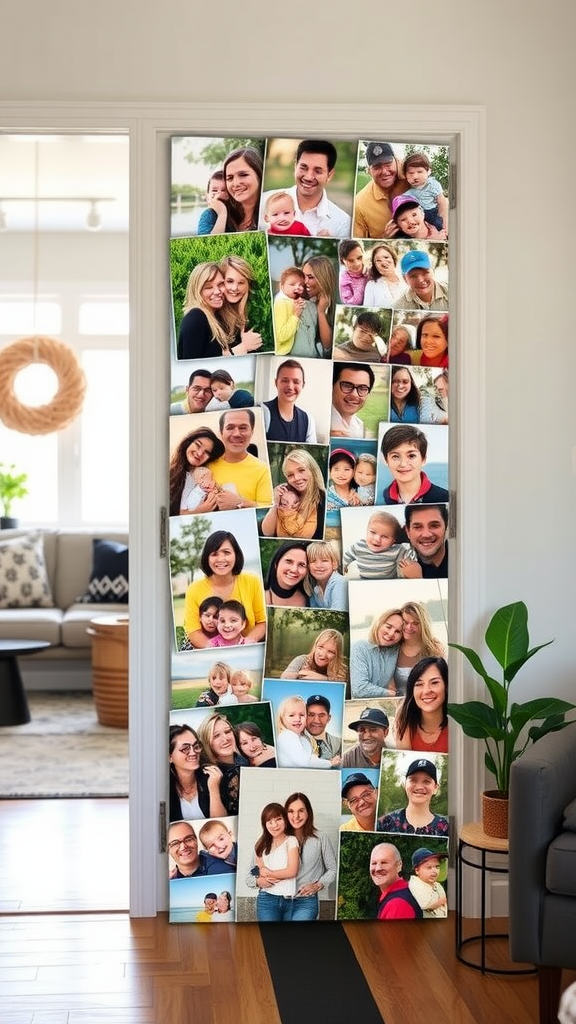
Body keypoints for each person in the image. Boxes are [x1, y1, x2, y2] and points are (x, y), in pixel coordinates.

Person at [182, 529, 266, 649]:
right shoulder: (194, 589)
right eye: (214, 554)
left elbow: (262, 622)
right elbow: (193, 631)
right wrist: (216, 650)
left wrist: (247, 643)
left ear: (236, 555)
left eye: (226, 552)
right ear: (207, 558)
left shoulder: (252, 580)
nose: (221, 559)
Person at [259, 139, 351, 238]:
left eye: (318, 171)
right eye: (303, 168)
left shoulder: (342, 223)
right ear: (295, 166)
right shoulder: (262, 202)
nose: (308, 177)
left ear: (330, 175)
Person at [284, 792, 337, 920]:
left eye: (301, 811)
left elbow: (333, 869)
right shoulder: (279, 838)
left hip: (306, 902)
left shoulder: (320, 838)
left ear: (308, 812)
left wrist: (318, 884)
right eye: (291, 811)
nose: (296, 816)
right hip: (279, 900)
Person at [208, 409, 273, 509]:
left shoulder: (263, 469)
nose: (236, 434)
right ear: (221, 432)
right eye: (230, 428)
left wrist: (240, 502)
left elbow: (267, 510)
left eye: (243, 428)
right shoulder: (206, 464)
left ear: (252, 432)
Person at [176, 262, 239, 360]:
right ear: (197, 291)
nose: (217, 291)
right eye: (208, 287)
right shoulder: (195, 318)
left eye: (220, 284)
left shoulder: (216, 317)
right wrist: (240, 349)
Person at [260, 447, 326, 540]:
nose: (297, 478)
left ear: (312, 470)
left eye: (301, 470)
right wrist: (275, 504)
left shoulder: (324, 501)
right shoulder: (285, 495)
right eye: (290, 475)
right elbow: (267, 534)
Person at [252, 803, 300, 922]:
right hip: (267, 899)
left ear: (285, 820)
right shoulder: (260, 844)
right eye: (269, 821)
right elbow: (258, 870)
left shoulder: (291, 841)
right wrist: (262, 875)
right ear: (265, 824)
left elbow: (292, 871)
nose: (274, 825)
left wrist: (269, 873)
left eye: (278, 819)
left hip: (290, 901)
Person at [169, 724, 226, 822]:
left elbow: (221, 824)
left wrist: (214, 790)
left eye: (196, 746)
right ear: (169, 757)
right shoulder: (162, 789)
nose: (193, 752)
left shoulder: (213, 777)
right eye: (185, 749)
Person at [377, 757, 449, 835]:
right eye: (413, 780)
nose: (419, 787)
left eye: (426, 781)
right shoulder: (385, 823)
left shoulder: (447, 827)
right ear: (404, 785)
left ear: (435, 788)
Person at [380, 424, 449, 505]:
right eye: (395, 456)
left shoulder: (444, 498)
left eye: (411, 456)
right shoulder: (385, 495)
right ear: (386, 460)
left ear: (423, 459)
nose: (403, 464)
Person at [392, 657, 449, 754]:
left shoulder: (458, 726)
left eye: (434, 683)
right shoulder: (405, 723)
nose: (426, 691)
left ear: (447, 686)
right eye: (419, 684)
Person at [197, 712, 249, 816]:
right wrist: (214, 788)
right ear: (207, 743)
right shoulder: (207, 776)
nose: (225, 739)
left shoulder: (244, 759)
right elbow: (217, 821)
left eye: (227, 731)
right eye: (216, 736)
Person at [353, 141, 407, 239]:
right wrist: (385, 239)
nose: (385, 172)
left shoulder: (410, 178)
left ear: (396, 161)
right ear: (369, 171)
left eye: (388, 164)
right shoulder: (359, 204)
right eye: (377, 167)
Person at [169, 427, 226, 517]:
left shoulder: (204, 475)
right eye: (198, 445)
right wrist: (199, 511)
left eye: (206, 452)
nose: (199, 453)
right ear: (188, 443)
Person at [393, 602, 446, 697]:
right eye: (405, 622)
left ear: (423, 625)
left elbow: (443, 682)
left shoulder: (434, 648)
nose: (409, 627)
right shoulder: (393, 648)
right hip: (399, 705)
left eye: (415, 623)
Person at [343, 509, 414, 580]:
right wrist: (343, 567)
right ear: (367, 531)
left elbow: (411, 556)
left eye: (384, 536)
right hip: (365, 582)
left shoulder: (395, 549)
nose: (377, 539)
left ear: (393, 541)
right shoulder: (359, 546)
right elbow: (346, 557)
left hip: (388, 584)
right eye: (373, 532)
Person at [349, 609, 403, 700]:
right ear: (379, 623)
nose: (391, 634)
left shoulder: (396, 649)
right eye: (388, 627)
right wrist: (392, 694)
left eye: (397, 631)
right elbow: (359, 689)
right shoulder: (359, 647)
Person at [276, 695, 339, 769]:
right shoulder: (286, 736)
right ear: (282, 718)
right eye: (291, 715)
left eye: (302, 715)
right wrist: (330, 763)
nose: (297, 719)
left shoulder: (303, 738)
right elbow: (305, 762)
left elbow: (311, 758)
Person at [262, 359, 317, 443]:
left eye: (296, 382)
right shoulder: (262, 412)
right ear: (276, 382)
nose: (290, 387)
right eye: (285, 381)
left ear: (303, 385)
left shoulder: (308, 420)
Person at [293, 256, 337, 359]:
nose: (305, 282)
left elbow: (327, 348)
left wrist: (321, 312)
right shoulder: (300, 301)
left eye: (310, 277)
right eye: (304, 276)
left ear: (324, 278)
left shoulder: (335, 305)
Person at [272, 267, 318, 358]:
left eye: (301, 284)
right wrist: (296, 315)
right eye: (292, 284)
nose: (298, 287)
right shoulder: (281, 303)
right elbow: (281, 336)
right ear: (281, 286)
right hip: (283, 354)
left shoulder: (291, 300)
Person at [369, 842, 423, 919]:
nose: (378, 868)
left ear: (398, 865)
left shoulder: (397, 904)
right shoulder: (402, 890)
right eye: (374, 863)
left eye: (384, 862)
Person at [402, 152, 448, 232]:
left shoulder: (432, 185)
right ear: (405, 175)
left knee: (438, 227)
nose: (415, 176)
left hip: (433, 213)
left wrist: (443, 221)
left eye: (419, 172)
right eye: (411, 173)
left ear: (429, 171)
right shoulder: (407, 192)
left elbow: (442, 203)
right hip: (418, 217)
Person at [400, 503, 448, 578]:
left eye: (434, 525)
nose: (426, 534)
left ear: (446, 526)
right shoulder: (398, 567)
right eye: (418, 527)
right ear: (408, 531)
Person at [281, 628, 347, 682]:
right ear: (315, 646)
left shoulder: (342, 669)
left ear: (337, 655)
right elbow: (284, 679)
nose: (323, 655)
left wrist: (321, 678)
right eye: (320, 647)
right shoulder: (302, 660)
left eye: (330, 651)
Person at [222, 146, 263, 232]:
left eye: (243, 175)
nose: (236, 184)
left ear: (259, 175)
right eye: (230, 178)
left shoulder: (272, 216)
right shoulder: (224, 215)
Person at [331, 362, 374, 438]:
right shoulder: (319, 426)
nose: (354, 395)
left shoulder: (359, 426)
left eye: (362, 388)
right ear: (332, 386)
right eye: (347, 386)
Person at [305, 539, 348, 611]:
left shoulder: (340, 583)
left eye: (324, 560)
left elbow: (337, 615)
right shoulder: (315, 590)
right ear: (308, 566)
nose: (318, 565)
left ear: (334, 564)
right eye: (313, 561)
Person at [264, 541, 309, 608]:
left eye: (302, 565)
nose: (294, 570)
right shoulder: (259, 596)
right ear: (276, 563)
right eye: (289, 562)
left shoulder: (310, 600)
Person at [408, 847, 448, 918]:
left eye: (437, 867)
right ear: (417, 870)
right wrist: (441, 901)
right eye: (429, 867)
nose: (434, 871)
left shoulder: (437, 885)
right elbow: (425, 905)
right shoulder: (415, 884)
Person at [363, 243, 405, 308]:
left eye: (386, 257)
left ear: (393, 259)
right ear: (375, 266)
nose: (383, 262)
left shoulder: (406, 280)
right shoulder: (371, 285)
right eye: (378, 260)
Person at [305, 694, 342, 761]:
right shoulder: (295, 741)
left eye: (321, 715)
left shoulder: (339, 744)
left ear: (328, 718)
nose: (316, 720)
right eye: (311, 715)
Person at [197, 169, 229, 236]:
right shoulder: (208, 214)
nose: (219, 194)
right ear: (207, 195)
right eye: (214, 190)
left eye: (224, 190)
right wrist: (222, 214)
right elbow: (206, 242)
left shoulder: (237, 211)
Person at [338, 239, 368, 305]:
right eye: (351, 260)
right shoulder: (345, 281)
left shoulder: (370, 269)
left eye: (359, 258)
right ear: (343, 261)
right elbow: (352, 303)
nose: (357, 263)